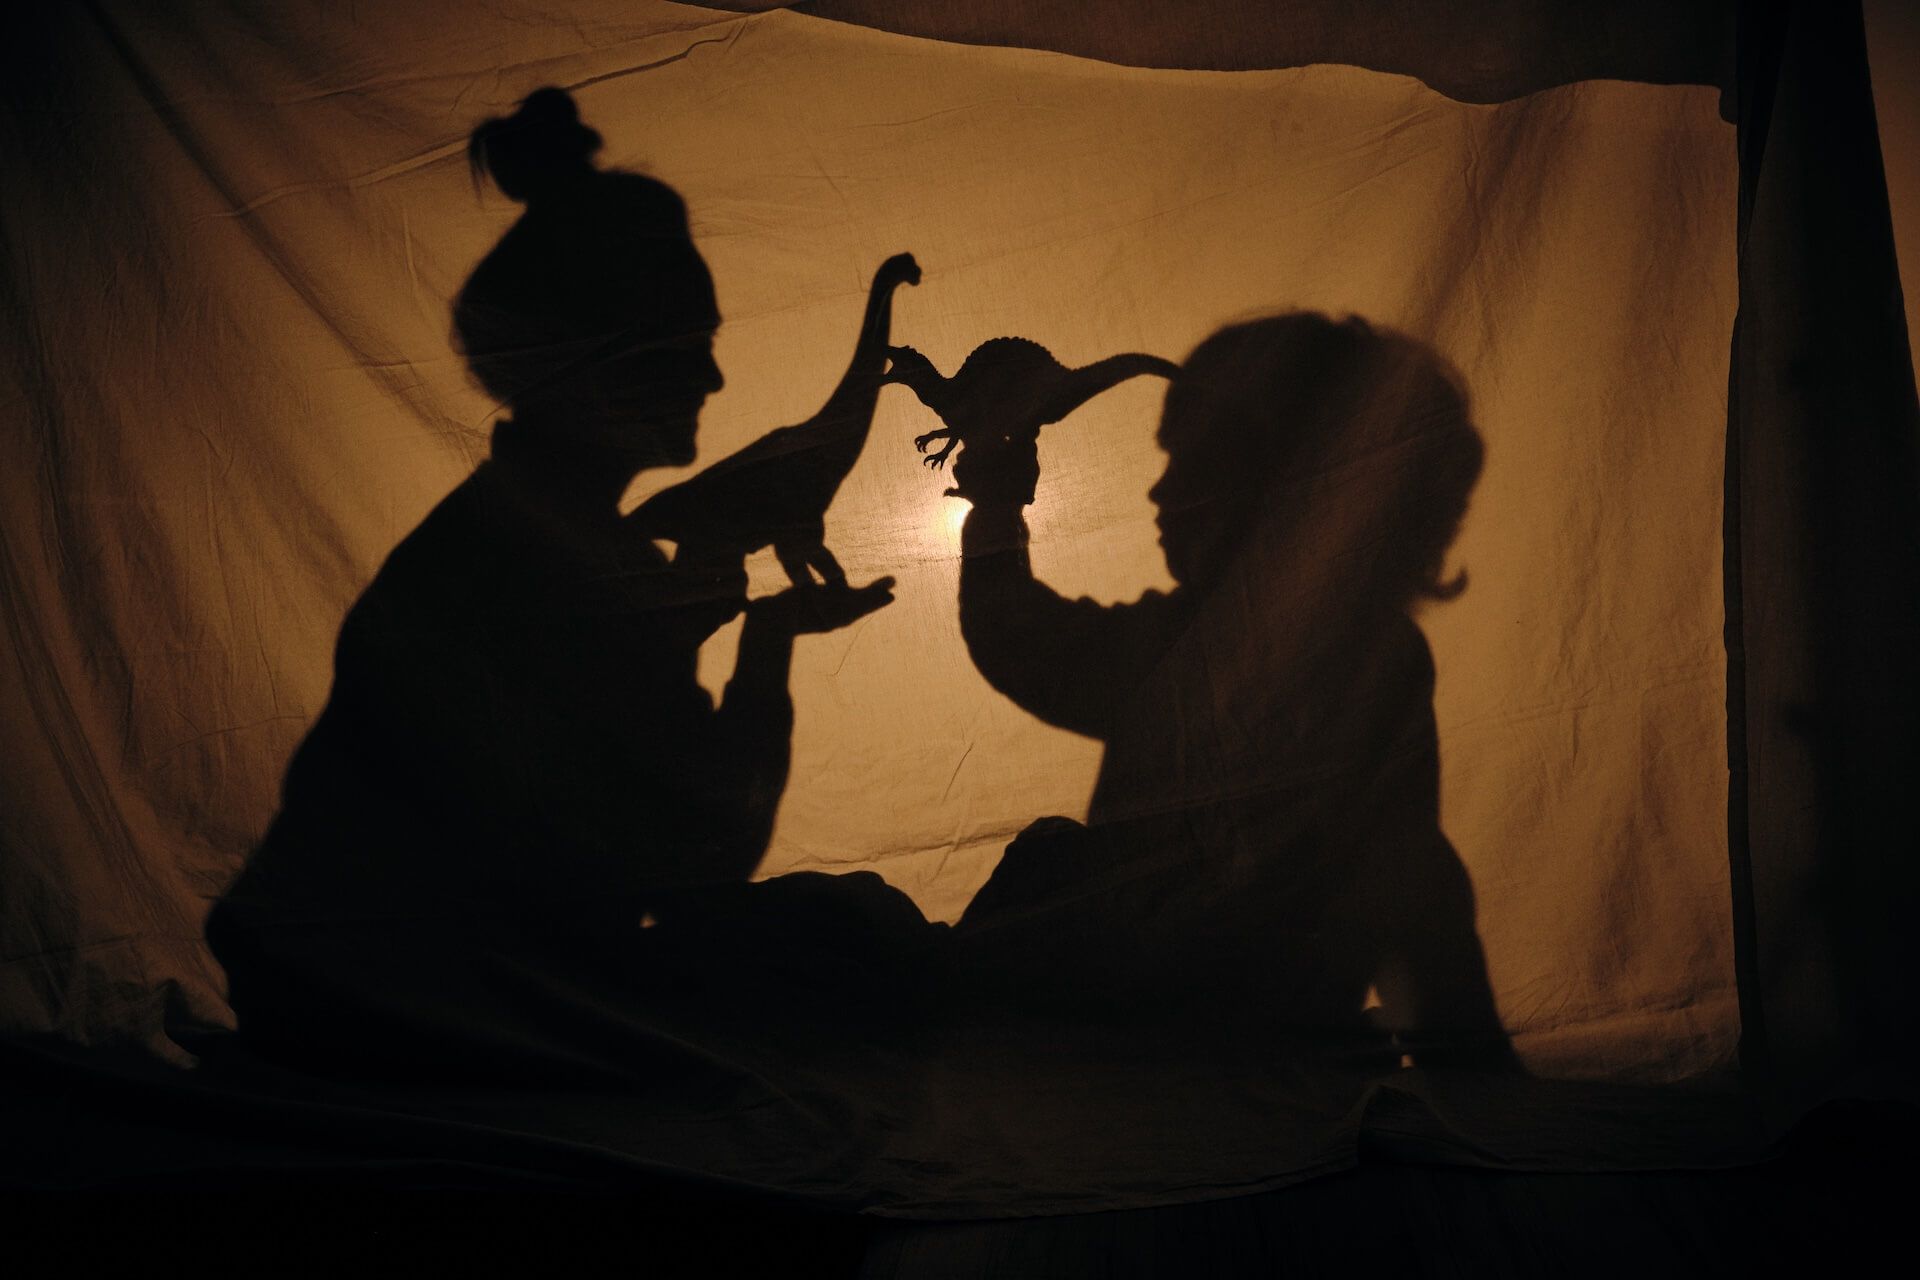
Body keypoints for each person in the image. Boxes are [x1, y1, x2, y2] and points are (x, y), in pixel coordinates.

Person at [205, 88, 899, 1081]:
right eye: (685, 348)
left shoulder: (524, 533)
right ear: (594, 364)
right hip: (413, 1014)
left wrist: (729, 617)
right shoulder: (555, 561)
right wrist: (762, 639)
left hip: (359, 986)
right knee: (843, 940)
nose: (712, 383)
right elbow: (696, 848)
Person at [943, 312, 1516, 1072]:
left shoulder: (1204, 647)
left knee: (1031, 875)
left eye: (1189, 462)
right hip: (1252, 1029)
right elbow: (1412, 881)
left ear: (1280, 486)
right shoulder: (1375, 657)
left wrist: (997, 507)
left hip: (1163, 1029)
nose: (1158, 488)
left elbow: (1025, 644)